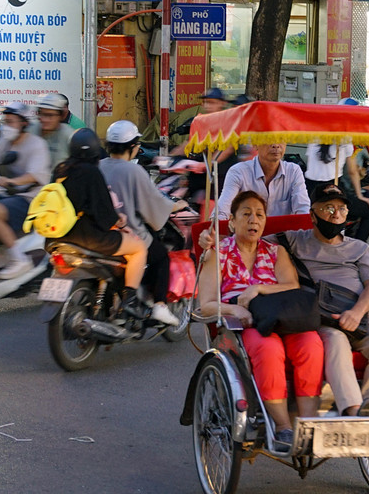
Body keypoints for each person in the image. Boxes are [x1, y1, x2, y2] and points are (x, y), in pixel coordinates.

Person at [196, 191, 323, 451]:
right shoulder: (217, 253)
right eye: (246, 214)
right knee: (268, 348)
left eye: (259, 215)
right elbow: (206, 304)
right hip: (242, 326)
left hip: (280, 316)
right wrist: (235, 311)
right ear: (231, 221)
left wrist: (259, 290)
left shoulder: (276, 251)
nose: (253, 220)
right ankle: (284, 426)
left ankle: (309, 425)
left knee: (311, 343)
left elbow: (291, 286)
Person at [281, 183, 369, 417]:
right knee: (337, 342)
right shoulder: (294, 240)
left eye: (342, 209)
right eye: (328, 208)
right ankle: (352, 408)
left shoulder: (359, 248)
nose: (336, 215)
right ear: (312, 214)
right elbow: (248, 239)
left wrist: (356, 313)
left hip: (362, 315)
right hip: (323, 320)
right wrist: (208, 238)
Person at [49, 129, 149, 314]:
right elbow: (103, 211)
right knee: (139, 248)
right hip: (88, 237)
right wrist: (121, 223)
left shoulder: (60, 170)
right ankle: (131, 300)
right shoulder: (92, 172)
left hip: (58, 236)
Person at [100, 120, 188, 326]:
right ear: (132, 147)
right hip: (126, 232)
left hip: (98, 232)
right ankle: (159, 305)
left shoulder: (99, 166)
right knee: (161, 257)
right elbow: (153, 205)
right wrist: (176, 205)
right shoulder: (134, 171)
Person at [0, 102, 52, 280]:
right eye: (5, 122)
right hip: (7, 194)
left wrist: (11, 181)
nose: (7, 126)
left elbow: (35, 175)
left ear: (23, 123)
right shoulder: (3, 143)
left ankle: (19, 259)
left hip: (30, 198)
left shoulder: (37, 145)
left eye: (11, 122)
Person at [304, 143, 369, 247]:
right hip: (333, 191)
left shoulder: (314, 138)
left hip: (310, 193)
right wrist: (360, 196)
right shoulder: (345, 141)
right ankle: (358, 249)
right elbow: (352, 171)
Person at [217, 142, 310, 219]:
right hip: (247, 237)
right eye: (269, 139)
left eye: (281, 139)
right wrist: (213, 231)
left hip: (283, 239)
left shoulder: (293, 171)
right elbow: (222, 209)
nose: (276, 145)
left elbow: (302, 208)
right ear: (255, 144)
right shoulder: (238, 172)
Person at [29, 93, 76, 167]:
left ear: (61, 116)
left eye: (50, 115)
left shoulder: (69, 135)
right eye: (42, 114)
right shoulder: (31, 131)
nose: (45, 119)